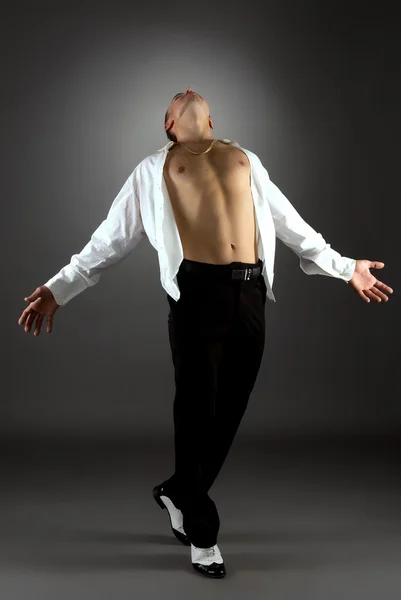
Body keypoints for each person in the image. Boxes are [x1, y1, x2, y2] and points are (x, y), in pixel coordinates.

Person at [18, 88, 393, 579]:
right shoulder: (154, 170)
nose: (188, 95)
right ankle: (202, 532)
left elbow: (289, 223)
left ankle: (179, 491)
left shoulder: (244, 159)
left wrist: (346, 268)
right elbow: (106, 241)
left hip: (250, 291)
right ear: (169, 123)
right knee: (197, 407)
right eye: (177, 103)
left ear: (210, 119)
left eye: (196, 99)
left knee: (231, 403)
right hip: (196, 293)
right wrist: (58, 288)